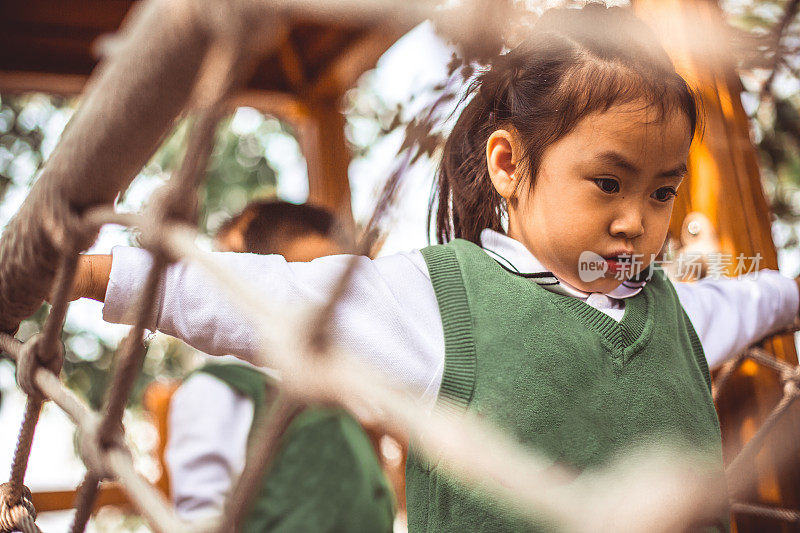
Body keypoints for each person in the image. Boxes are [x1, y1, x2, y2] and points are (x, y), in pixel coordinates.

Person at [68, 4, 800, 531]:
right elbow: (260, 294)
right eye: (608, 182)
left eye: (663, 191)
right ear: (510, 163)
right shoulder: (439, 301)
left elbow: (748, 301)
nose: (637, 218)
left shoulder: (669, 308)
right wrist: (96, 273)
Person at [162, 200, 395, 532]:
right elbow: (200, 514)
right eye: (301, 287)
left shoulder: (340, 397)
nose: (323, 310)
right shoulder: (223, 385)